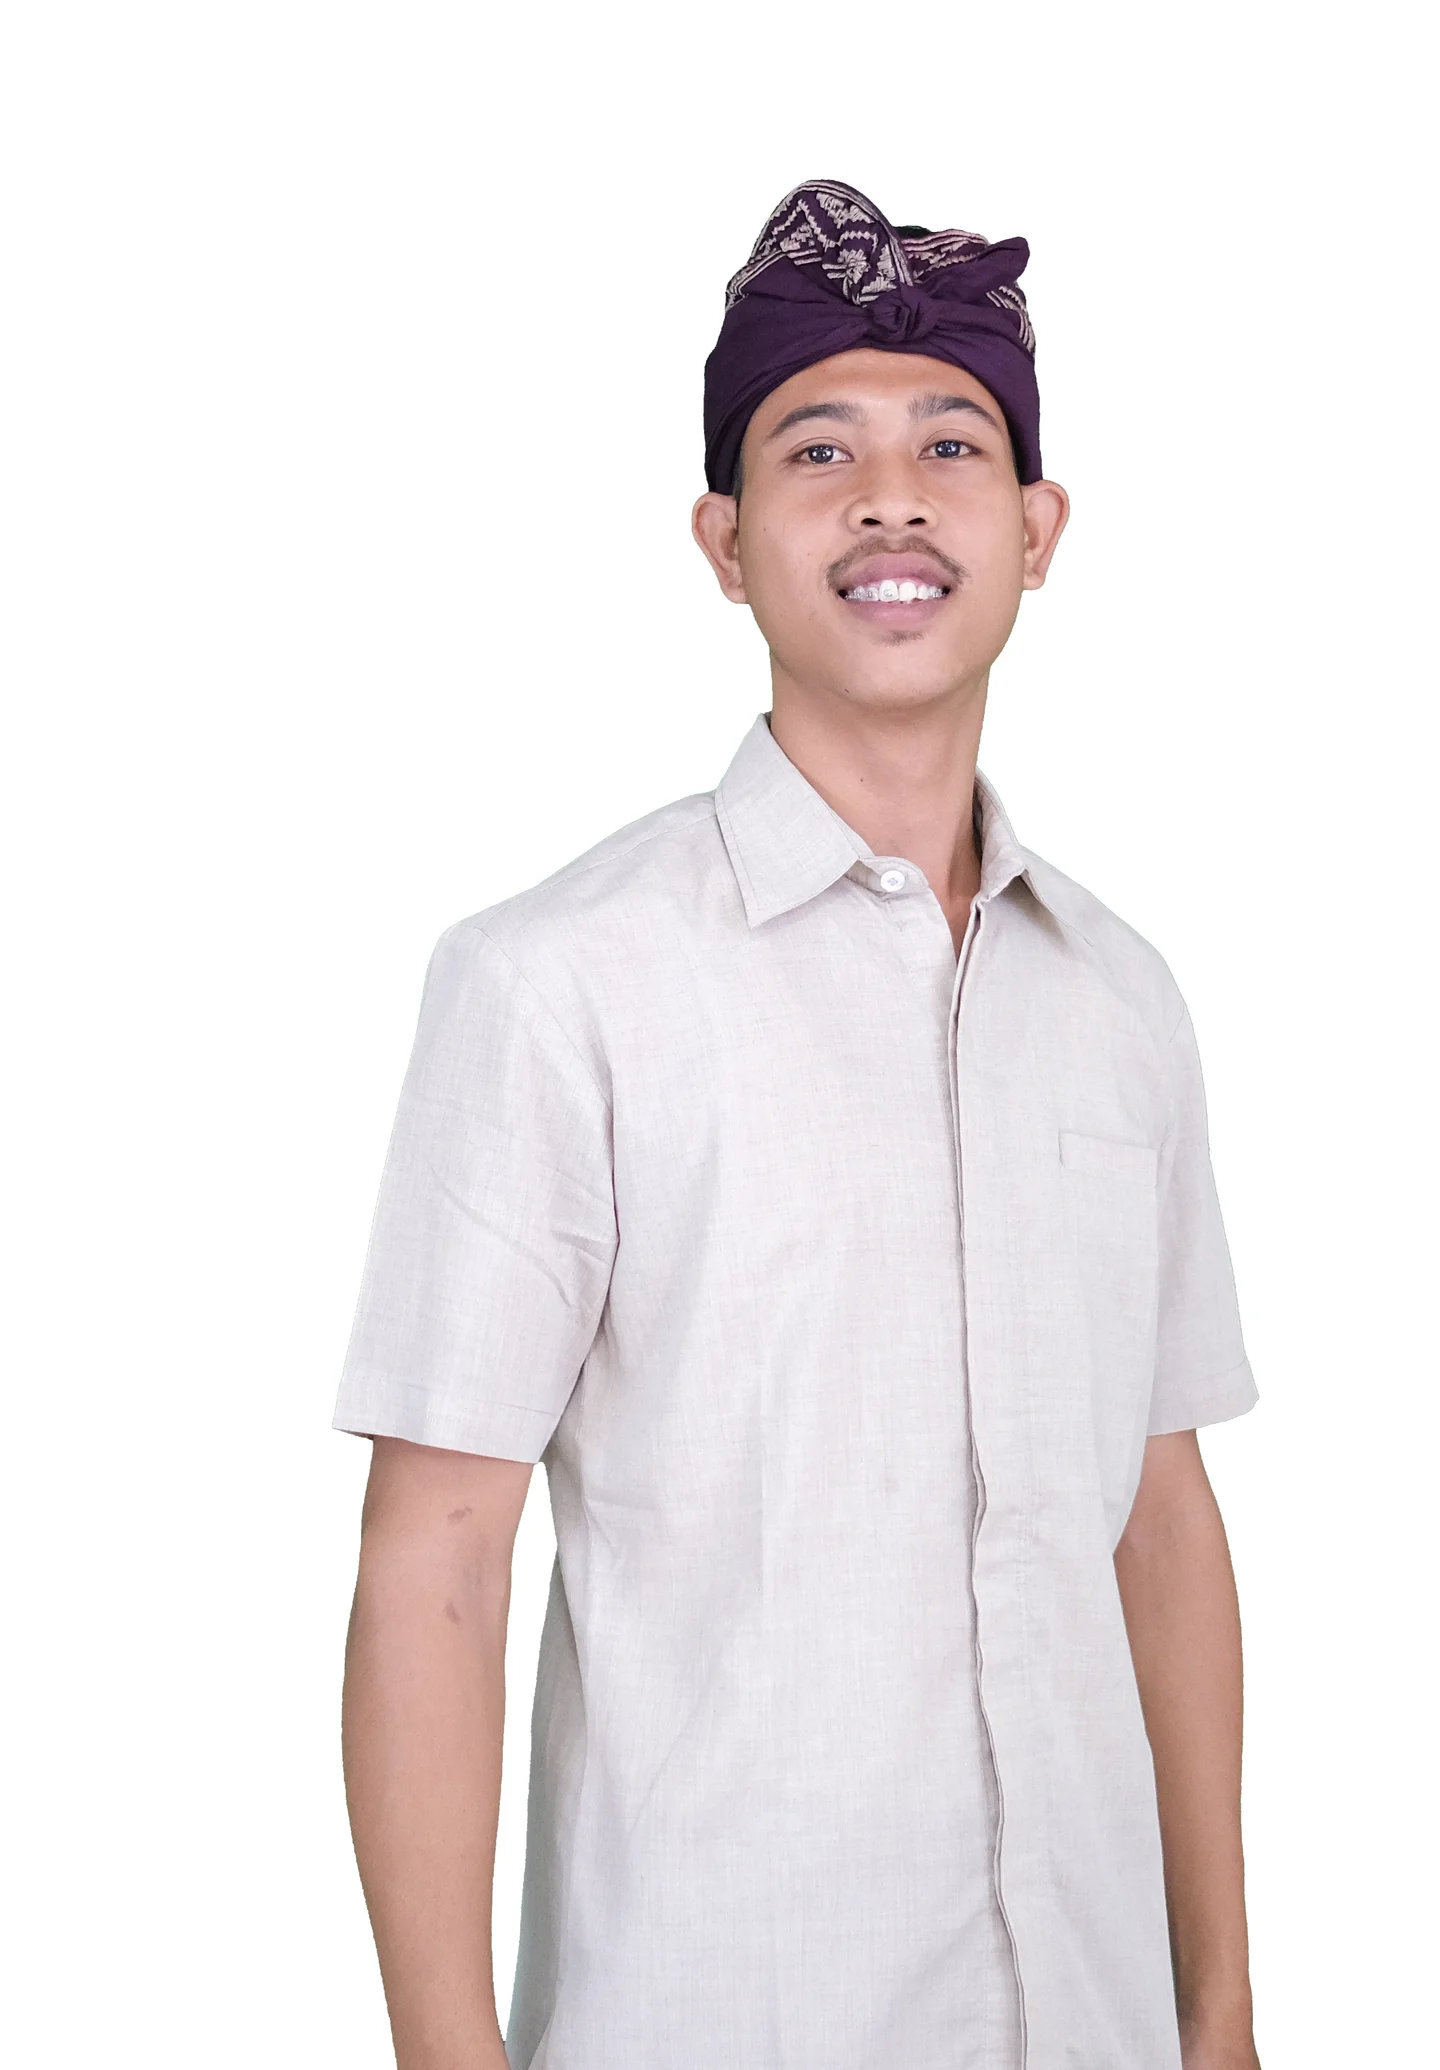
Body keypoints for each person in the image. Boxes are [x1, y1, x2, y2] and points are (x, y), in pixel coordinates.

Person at [335, 177, 1262, 2070]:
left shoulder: (1121, 1005)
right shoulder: (559, 985)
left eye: (953, 444)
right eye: (818, 449)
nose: (892, 499)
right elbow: (436, 1553)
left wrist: (1221, 2009)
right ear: (727, 543)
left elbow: (1161, 1522)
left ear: (1037, 530)